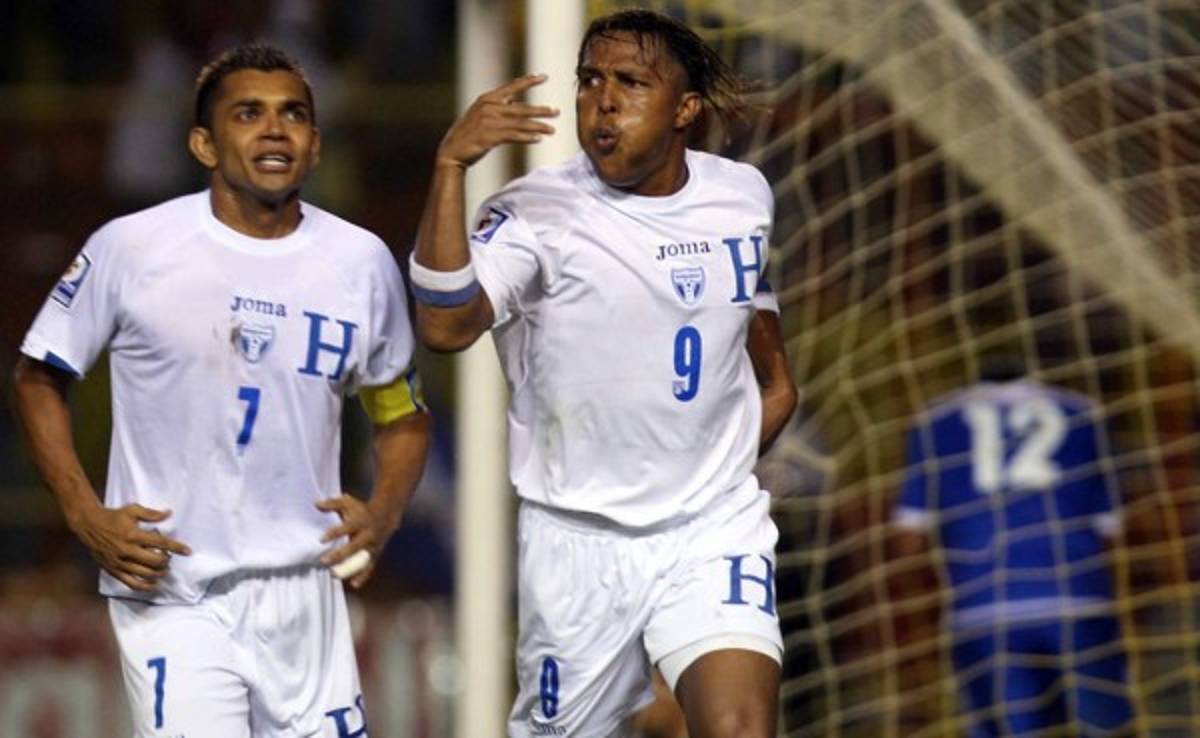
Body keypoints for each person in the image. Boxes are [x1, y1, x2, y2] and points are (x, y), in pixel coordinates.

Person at [13, 43, 431, 737]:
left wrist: (382, 514)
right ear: (204, 144)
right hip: (174, 590)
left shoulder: (360, 262)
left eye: (293, 114)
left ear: (316, 144)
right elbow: (37, 378)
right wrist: (86, 516)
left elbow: (401, 414)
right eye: (249, 114)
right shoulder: (133, 247)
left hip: (308, 595)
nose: (275, 129)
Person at [410, 8, 797, 738]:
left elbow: (770, 367)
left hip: (708, 532)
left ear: (685, 108)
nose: (603, 100)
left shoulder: (742, 197)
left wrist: (705, 478)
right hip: (577, 545)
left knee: (740, 727)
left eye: (630, 82)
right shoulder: (535, 213)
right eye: (590, 80)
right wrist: (451, 167)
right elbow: (443, 324)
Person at [891, 356, 1133, 737]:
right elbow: (1111, 527)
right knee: (1102, 723)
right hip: (1078, 595)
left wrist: (921, 614)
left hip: (982, 606)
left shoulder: (933, 422)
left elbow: (910, 538)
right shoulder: (1081, 411)